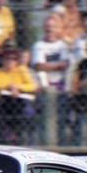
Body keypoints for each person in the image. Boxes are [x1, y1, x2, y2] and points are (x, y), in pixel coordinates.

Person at [31, 14, 77, 145]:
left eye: (53, 26)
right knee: (44, 120)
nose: (50, 29)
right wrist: (57, 65)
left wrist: (47, 66)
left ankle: (61, 146)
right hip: (44, 87)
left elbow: (65, 64)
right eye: (48, 27)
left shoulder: (62, 45)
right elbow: (37, 66)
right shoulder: (38, 45)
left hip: (60, 87)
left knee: (61, 120)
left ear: (58, 29)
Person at [0, 48, 37, 144]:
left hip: (19, 101)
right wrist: (8, 86)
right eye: (7, 59)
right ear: (2, 60)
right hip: (3, 102)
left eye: (13, 59)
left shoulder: (21, 70)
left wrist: (18, 87)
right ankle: (4, 137)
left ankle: (18, 137)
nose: (10, 61)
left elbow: (32, 86)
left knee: (22, 114)